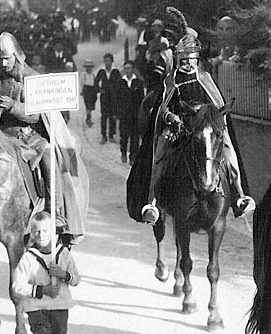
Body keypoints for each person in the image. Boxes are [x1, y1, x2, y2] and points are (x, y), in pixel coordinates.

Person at [0, 32, 89, 243]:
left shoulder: (32, 79)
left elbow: (38, 114)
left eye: (7, 58)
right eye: (0, 58)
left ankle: (53, 209)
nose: (3, 62)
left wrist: (14, 107)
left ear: (17, 56)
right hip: (1, 135)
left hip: (28, 136)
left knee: (47, 152)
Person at [138, 14, 253, 225]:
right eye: (185, 60)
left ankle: (239, 195)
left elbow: (217, 104)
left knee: (228, 151)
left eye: (192, 60)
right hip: (177, 127)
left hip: (205, 125)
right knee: (159, 154)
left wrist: (210, 116)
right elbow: (163, 108)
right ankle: (152, 203)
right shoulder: (172, 80)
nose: (189, 64)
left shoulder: (205, 78)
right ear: (179, 59)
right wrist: (170, 116)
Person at [113, 62, 144, 163]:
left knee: (135, 137)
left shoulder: (138, 83)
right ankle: (123, 153)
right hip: (124, 115)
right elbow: (117, 99)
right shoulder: (120, 83)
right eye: (125, 68)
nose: (127, 70)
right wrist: (117, 112)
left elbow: (141, 99)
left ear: (133, 69)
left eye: (129, 68)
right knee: (124, 136)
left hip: (135, 115)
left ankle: (133, 156)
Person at [94, 53, 119, 144]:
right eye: (106, 61)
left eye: (109, 61)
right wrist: (99, 90)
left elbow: (119, 83)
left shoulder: (115, 71)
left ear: (112, 61)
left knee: (113, 115)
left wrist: (116, 92)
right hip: (104, 97)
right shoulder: (101, 71)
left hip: (113, 97)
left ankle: (111, 135)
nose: (107, 63)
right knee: (104, 116)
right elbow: (96, 82)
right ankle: (103, 136)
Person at [79, 59, 97, 128]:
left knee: (92, 105)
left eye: (90, 66)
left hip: (92, 90)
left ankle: (89, 116)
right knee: (88, 104)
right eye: (87, 67)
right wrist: (82, 90)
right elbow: (81, 83)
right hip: (86, 90)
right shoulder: (83, 74)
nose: (88, 68)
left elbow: (96, 82)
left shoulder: (94, 74)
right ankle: (88, 118)